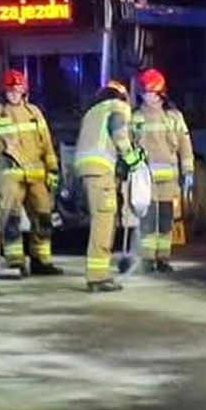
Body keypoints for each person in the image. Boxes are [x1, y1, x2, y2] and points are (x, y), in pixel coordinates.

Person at [0, 69, 63, 276]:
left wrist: (53, 170)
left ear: (24, 90)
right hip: (10, 176)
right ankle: (15, 262)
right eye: (10, 90)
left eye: (18, 89)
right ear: (3, 92)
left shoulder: (35, 113)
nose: (14, 94)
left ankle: (41, 260)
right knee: (11, 220)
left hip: (37, 176)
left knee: (43, 217)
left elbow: (47, 144)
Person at [74, 79, 143, 292]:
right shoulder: (118, 107)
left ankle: (98, 273)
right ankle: (97, 276)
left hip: (87, 170)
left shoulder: (92, 112)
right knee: (104, 220)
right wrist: (132, 159)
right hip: (100, 169)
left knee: (101, 218)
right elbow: (118, 131)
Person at [131, 68, 193, 273]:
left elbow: (185, 145)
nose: (150, 97)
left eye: (153, 93)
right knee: (148, 220)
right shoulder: (136, 118)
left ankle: (163, 258)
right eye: (146, 93)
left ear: (161, 94)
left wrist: (189, 171)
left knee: (166, 219)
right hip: (145, 180)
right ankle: (148, 258)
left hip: (168, 181)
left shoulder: (173, 117)